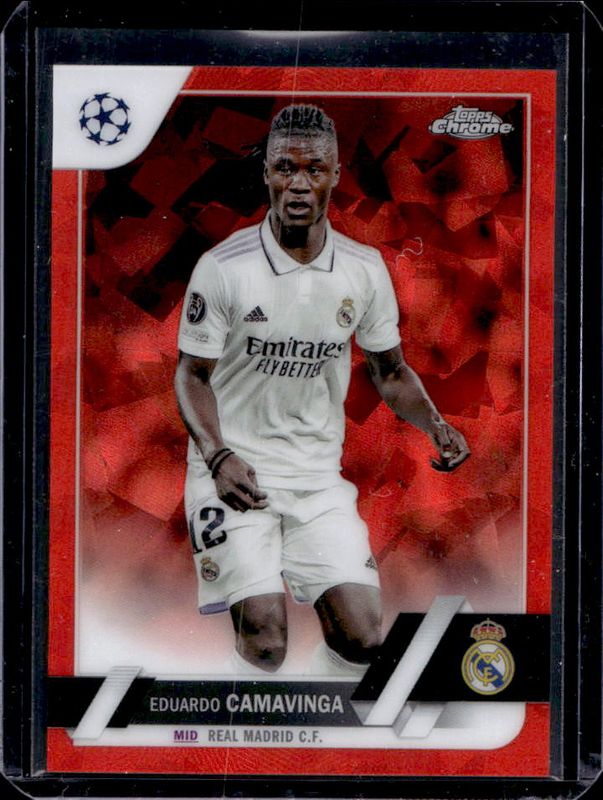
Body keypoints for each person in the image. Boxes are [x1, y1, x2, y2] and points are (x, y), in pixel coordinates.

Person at [175, 104, 469, 677]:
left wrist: (435, 423)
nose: (298, 184)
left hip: (316, 479)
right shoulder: (223, 267)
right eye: (285, 167)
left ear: (335, 174)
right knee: (265, 640)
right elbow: (191, 374)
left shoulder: (364, 268)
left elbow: (390, 372)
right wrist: (217, 456)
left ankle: (312, 718)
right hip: (232, 472)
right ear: (266, 172)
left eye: (314, 169)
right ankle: (243, 727)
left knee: (363, 637)